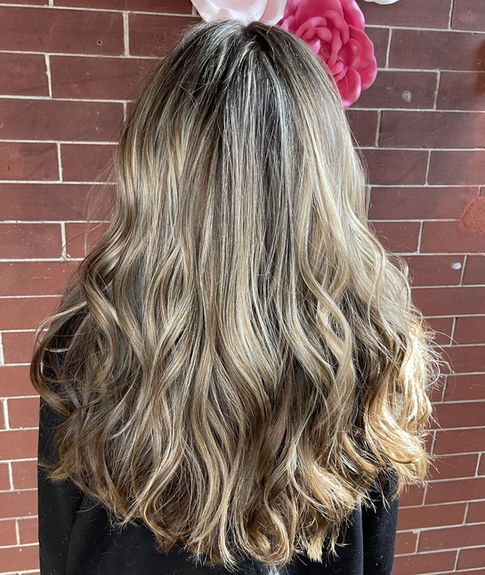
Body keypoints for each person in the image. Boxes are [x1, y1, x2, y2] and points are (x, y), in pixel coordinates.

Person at [30, 18, 443, 575]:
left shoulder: (87, 342)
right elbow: (373, 556)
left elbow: (62, 547)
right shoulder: (371, 346)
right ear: (326, 176)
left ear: (153, 172)